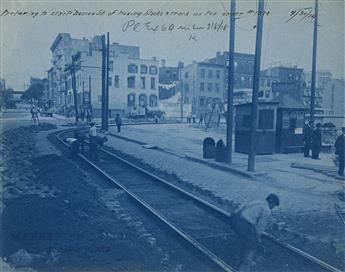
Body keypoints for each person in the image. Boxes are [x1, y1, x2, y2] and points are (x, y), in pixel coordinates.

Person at [230, 194, 280, 272]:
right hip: (243, 223)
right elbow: (259, 229)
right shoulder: (266, 210)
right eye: (274, 205)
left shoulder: (258, 201)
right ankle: (244, 268)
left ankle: (243, 260)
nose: (273, 208)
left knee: (246, 241)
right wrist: (258, 239)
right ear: (272, 202)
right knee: (252, 246)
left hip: (234, 217)